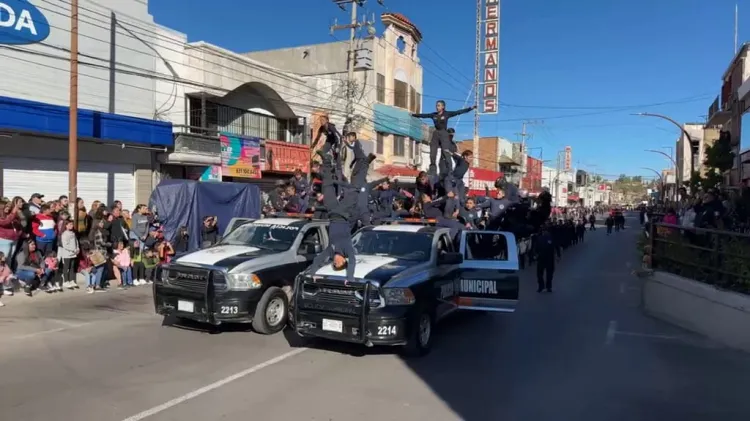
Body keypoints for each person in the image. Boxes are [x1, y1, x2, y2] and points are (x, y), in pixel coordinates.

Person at [307, 150, 358, 283]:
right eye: (338, 264)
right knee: (354, 192)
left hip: (332, 213)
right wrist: (349, 278)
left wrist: (313, 273)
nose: (335, 263)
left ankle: (326, 160)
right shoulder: (348, 249)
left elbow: (318, 259)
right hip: (343, 214)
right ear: (343, 261)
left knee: (327, 185)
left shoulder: (331, 250)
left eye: (334, 265)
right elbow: (352, 261)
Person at [411, 101, 475, 175]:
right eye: (436, 105)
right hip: (436, 133)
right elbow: (424, 115)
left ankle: (450, 170)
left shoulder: (447, 114)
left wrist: (470, 108)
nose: (437, 107)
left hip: (444, 133)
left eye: (438, 105)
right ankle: (432, 170)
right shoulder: (433, 115)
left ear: (443, 107)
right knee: (432, 153)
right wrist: (413, 115)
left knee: (446, 152)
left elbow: (458, 112)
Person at [534, 223, 560, 293]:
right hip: (548, 258)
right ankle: (546, 286)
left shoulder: (540, 238)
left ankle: (542, 286)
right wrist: (558, 255)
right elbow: (556, 247)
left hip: (543, 258)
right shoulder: (550, 237)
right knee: (548, 273)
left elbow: (535, 248)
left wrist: (535, 255)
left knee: (542, 273)